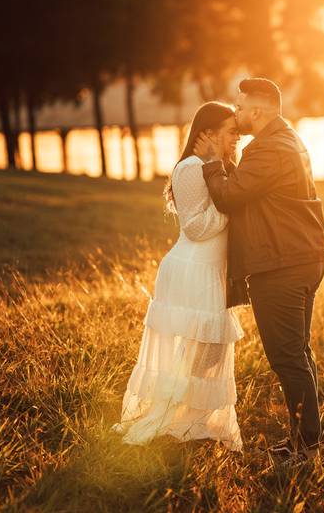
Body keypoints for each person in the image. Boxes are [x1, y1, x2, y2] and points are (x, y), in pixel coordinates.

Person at [194, 78, 324, 468]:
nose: (235, 115)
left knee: (287, 356)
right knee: (298, 352)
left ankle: (305, 450)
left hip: (283, 263)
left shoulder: (268, 149)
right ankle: (305, 441)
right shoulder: (288, 139)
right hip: (301, 256)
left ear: (258, 112)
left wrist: (212, 162)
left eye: (239, 108)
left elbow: (229, 195)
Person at [112, 101, 243, 450]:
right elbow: (197, 227)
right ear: (209, 134)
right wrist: (233, 209)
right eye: (231, 132)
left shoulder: (222, 167)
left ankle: (191, 419)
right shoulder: (190, 167)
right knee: (194, 351)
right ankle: (170, 416)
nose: (237, 138)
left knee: (210, 353)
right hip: (191, 269)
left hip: (213, 272)